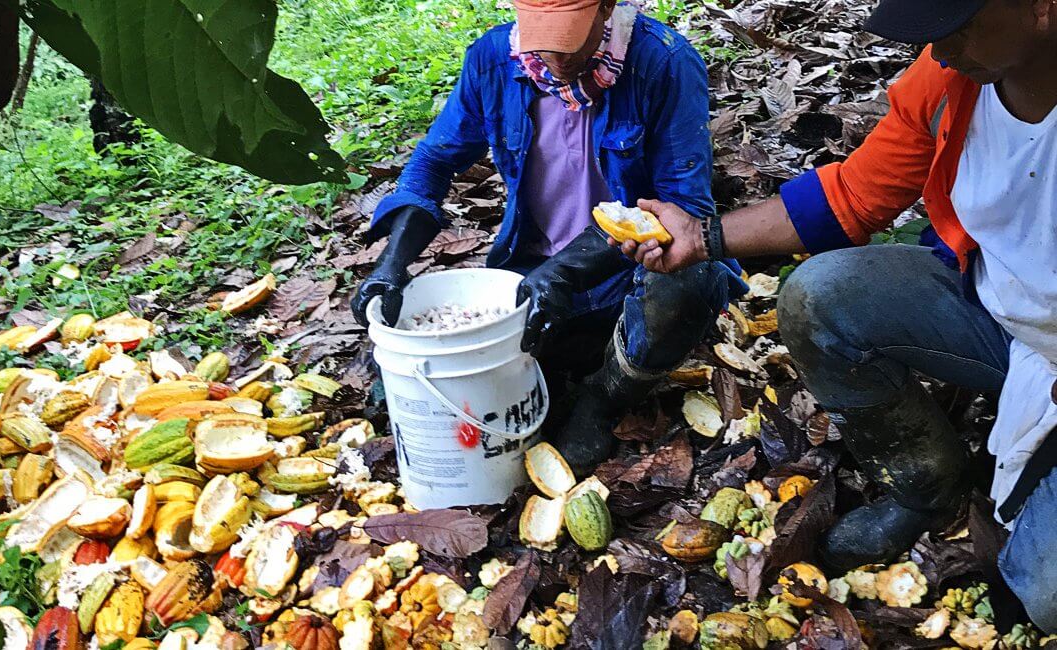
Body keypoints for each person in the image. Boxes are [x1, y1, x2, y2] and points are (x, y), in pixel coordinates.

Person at [615, 0, 1057, 630]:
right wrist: (701, 238)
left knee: (1042, 595)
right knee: (821, 295)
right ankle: (926, 485)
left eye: (957, 26)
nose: (939, 49)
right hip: (999, 311)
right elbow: (854, 196)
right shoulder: (951, 80)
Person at [351, 0, 746, 473]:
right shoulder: (493, 60)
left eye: (568, 39)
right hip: (533, 270)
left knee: (689, 283)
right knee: (422, 364)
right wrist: (392, 264)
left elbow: (685, 211)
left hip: (624, 272)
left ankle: (603, 399)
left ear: (605, 9)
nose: (555, 59)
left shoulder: (663, 63)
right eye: (541, 36)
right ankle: (559, 363)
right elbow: (434, 162)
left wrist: (567, 272)